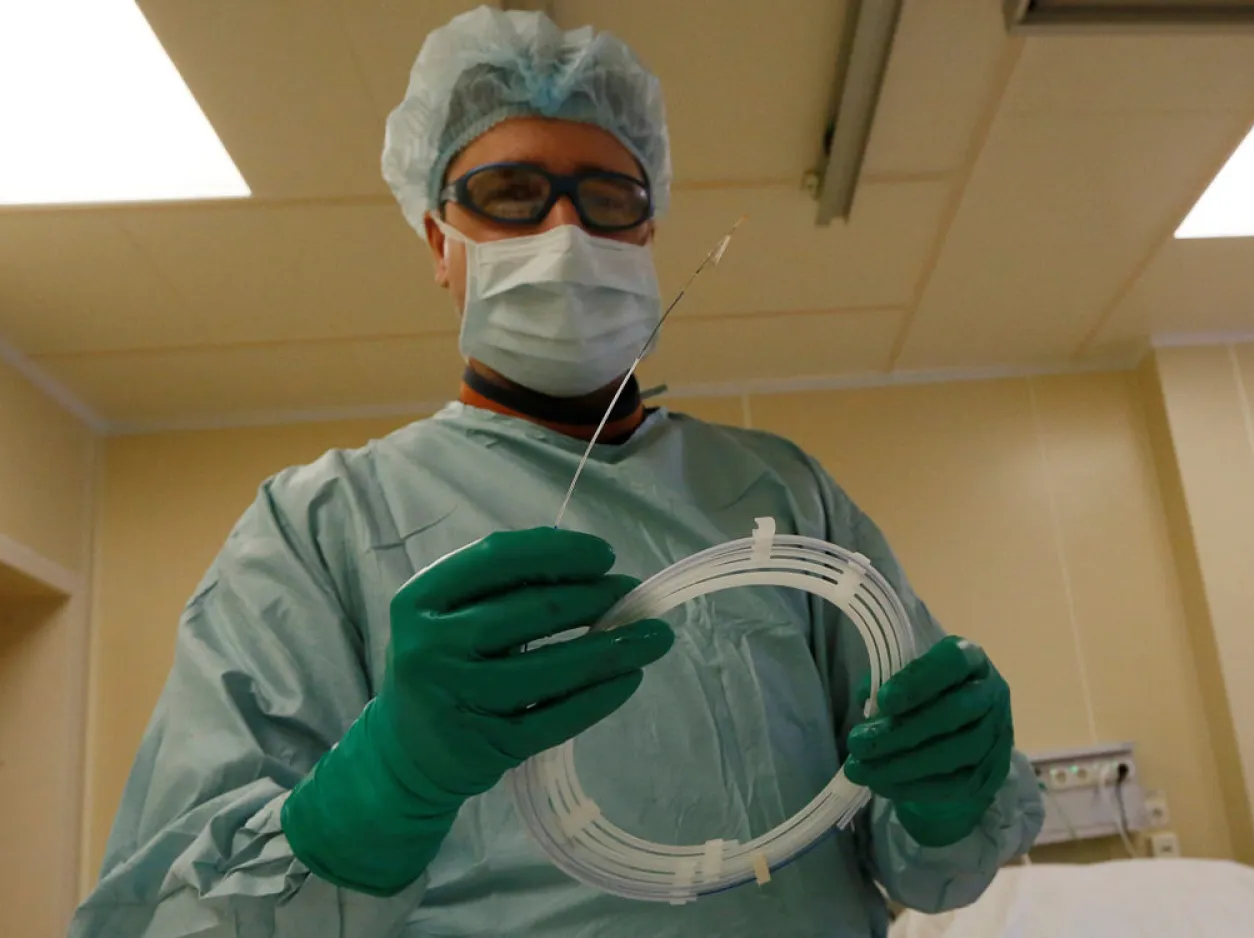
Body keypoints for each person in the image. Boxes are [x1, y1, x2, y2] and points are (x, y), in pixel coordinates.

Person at [70, 8, 1043, 937]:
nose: (566, 230)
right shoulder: (320, 522)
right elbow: (174, 912)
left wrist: (950, 795)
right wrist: (377, 790)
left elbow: (918, 855)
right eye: (508, 194)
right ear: (439, 243)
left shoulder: (784, 492)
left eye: (607, 197)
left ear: (649, 232)